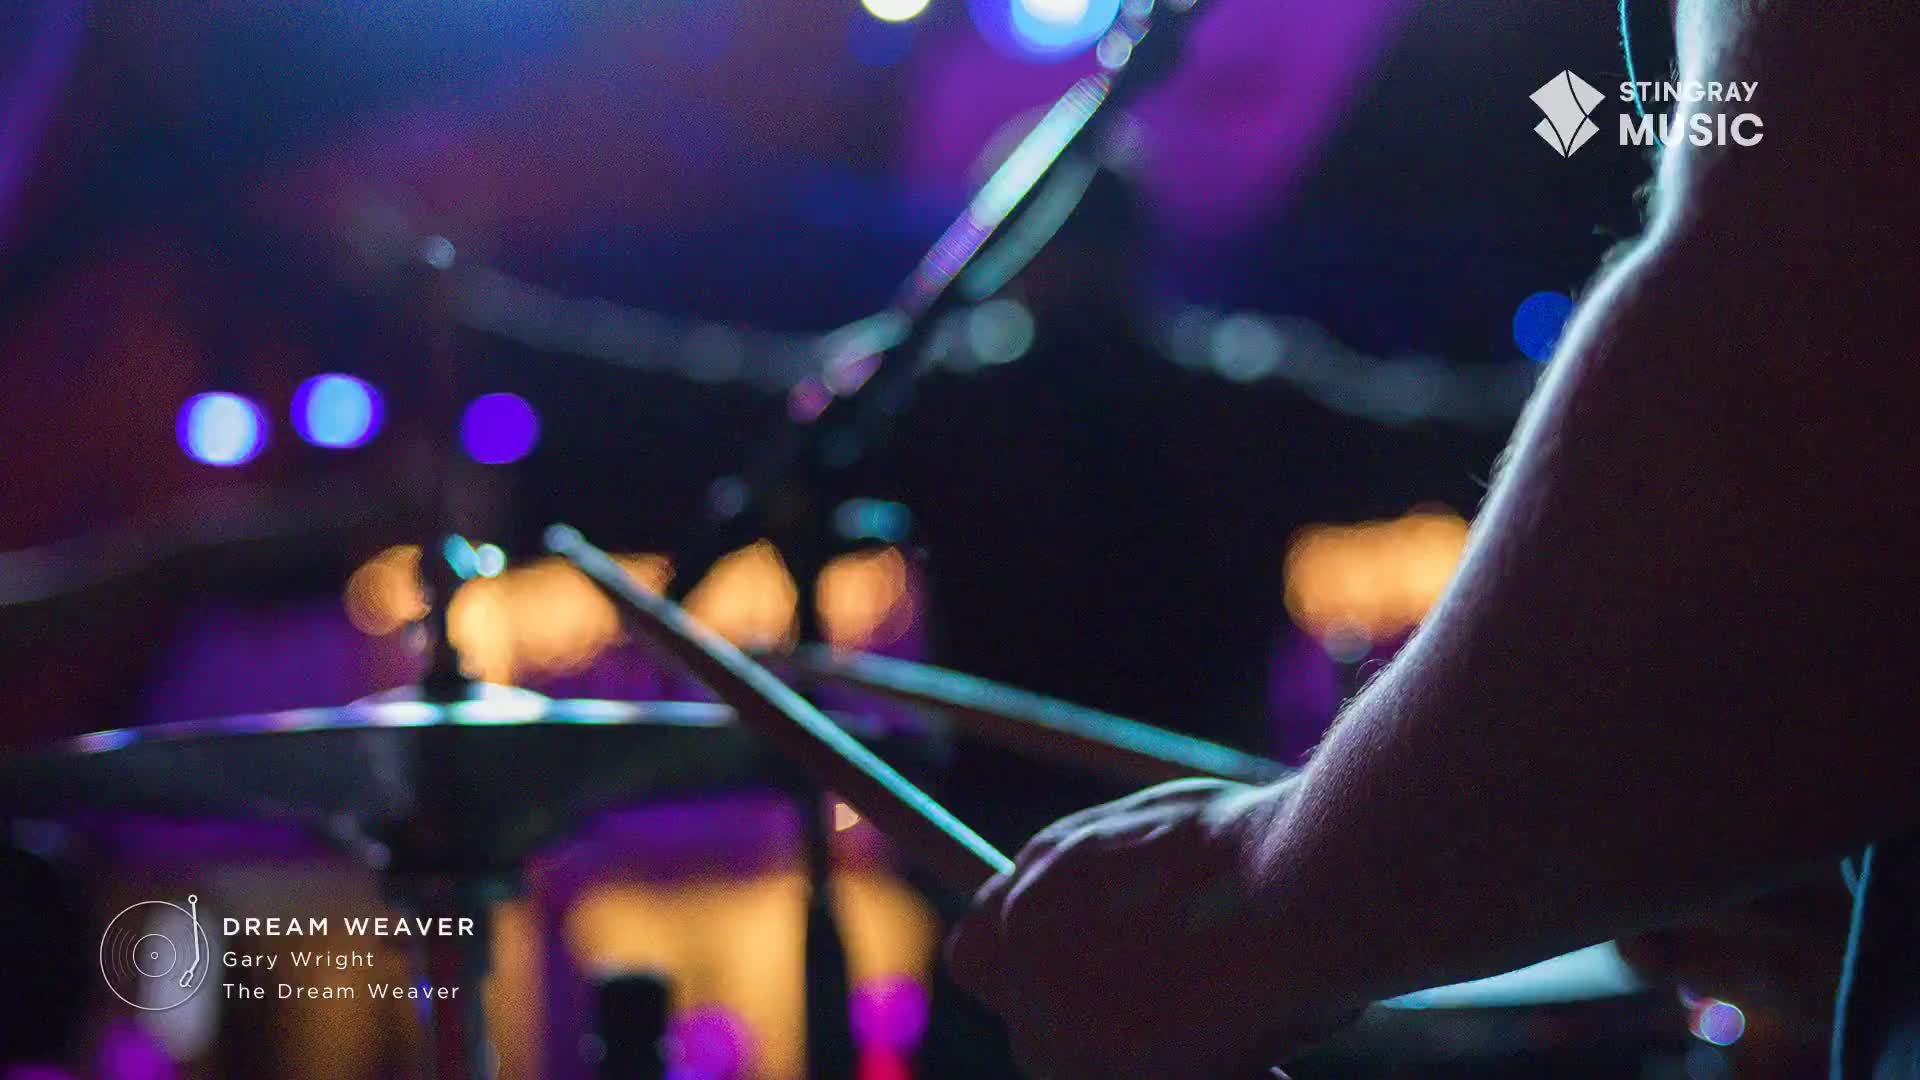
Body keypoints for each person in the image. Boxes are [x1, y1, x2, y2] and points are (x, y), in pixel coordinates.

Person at [946, 1, 1920, 1076]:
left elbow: (1776, 350)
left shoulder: (961, 411)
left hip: (1045, 893)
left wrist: (1262, 887)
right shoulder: (1233, 402)